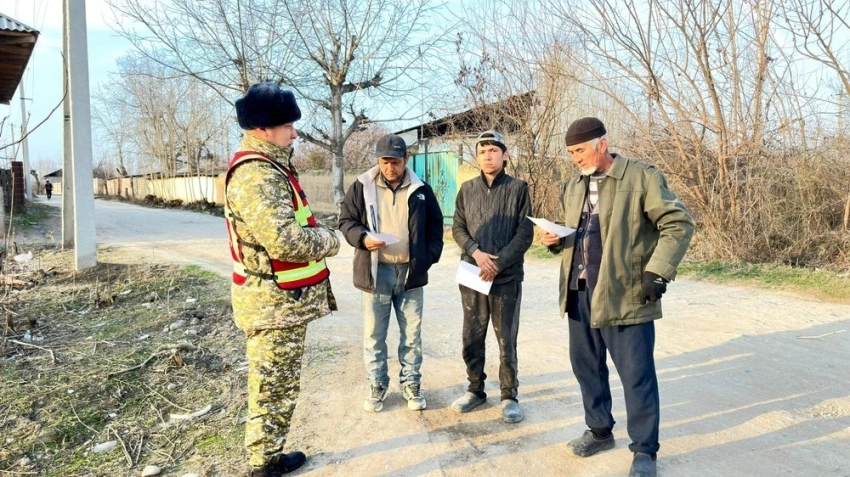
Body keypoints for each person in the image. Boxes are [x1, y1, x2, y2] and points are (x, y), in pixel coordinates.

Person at [540, 117, 694, 477]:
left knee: (636, 374)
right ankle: (598, 430)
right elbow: (580, 235)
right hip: (579, 292)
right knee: (587, 368)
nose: (575, 158)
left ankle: (644, 451)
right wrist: (556, 241)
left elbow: (678, 224)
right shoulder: (573, 185)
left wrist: (658, 271)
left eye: (579, 150)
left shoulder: (641, 178)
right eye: (570, 153)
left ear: (601, 144)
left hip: (625, 293)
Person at [225, 82, 340, 477]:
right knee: (270, 389)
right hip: (271, 306)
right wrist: (330, 240)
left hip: (279, 304)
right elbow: (284, 240)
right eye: (288, 126)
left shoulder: (270, 165)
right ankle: (262, 465)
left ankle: (269, 456)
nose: (294, 133)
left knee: (279, 388)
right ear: (263, 128)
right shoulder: (257, 173)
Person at [339, 134, 444, 413]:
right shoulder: (362, 187)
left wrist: (427, 258)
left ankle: (411, 384)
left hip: (410, 273)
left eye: (395, 162)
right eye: (385, 162)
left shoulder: (421, 190)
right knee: (374, 335)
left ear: (405, 160)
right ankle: (377, 384)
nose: (390, 168)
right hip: (377, 271)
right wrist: (362, 237)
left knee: (412, 335)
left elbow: (436, 227)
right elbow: (346, 220)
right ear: (378, 160)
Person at [450, 130, 533, 423]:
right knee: (472, 334)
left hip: (506, 275)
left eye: (493, 150)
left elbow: (525, 232)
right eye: (482, 151)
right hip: (473, 271)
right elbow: (458, 227)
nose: (487, 156)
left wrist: (499, 263)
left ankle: (509, 395)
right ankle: (475, 389)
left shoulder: (518, 188)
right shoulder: (467, 189)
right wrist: (476, 252)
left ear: (505, 155)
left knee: (505, 338)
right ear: (477, 157)